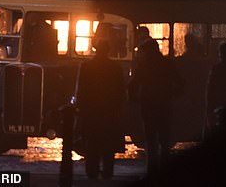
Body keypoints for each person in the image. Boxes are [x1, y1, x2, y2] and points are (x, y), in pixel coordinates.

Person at [128, 38, 184, 175]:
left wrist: (135, 99)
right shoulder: (167, 64)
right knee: (165, 139)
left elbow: (132, 85)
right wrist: (172, 95)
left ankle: (152, 170)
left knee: (151, 138)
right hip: (165, 104)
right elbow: (180, 83)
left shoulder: (144, 65)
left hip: (148, 105)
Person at [74, 39, 125, 180]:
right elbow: (120, 91)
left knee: (92, 144)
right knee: (108, 145)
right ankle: (108, 172)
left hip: (92, 112)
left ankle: (92, 172)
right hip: (109, 112)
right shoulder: (116, 68)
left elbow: (82, 90)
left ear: (96, 49)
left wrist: (81, 108)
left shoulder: (86, 66)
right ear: (108, 50)